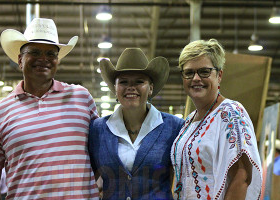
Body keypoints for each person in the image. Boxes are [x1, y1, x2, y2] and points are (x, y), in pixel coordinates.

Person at [0, 18, 99, 199]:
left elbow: (101, 153)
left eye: (51, 54)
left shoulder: (82, 98)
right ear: (20, 60)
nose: (44, 59)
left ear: (57, 61)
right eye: (34, 52)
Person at [171, 39, 262, 200]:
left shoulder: (230, 113)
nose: (196, 78)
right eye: (189, 72)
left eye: (204, 71)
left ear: (219, 75)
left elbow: (242, 177)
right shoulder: (189, 121)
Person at [88, 48, 185, 199]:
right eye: (124, 82)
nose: (130, 87)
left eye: (139, 81)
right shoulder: (97, 129)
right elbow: (87, 179)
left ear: (151, 88)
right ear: (115, 88)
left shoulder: (175, 127)